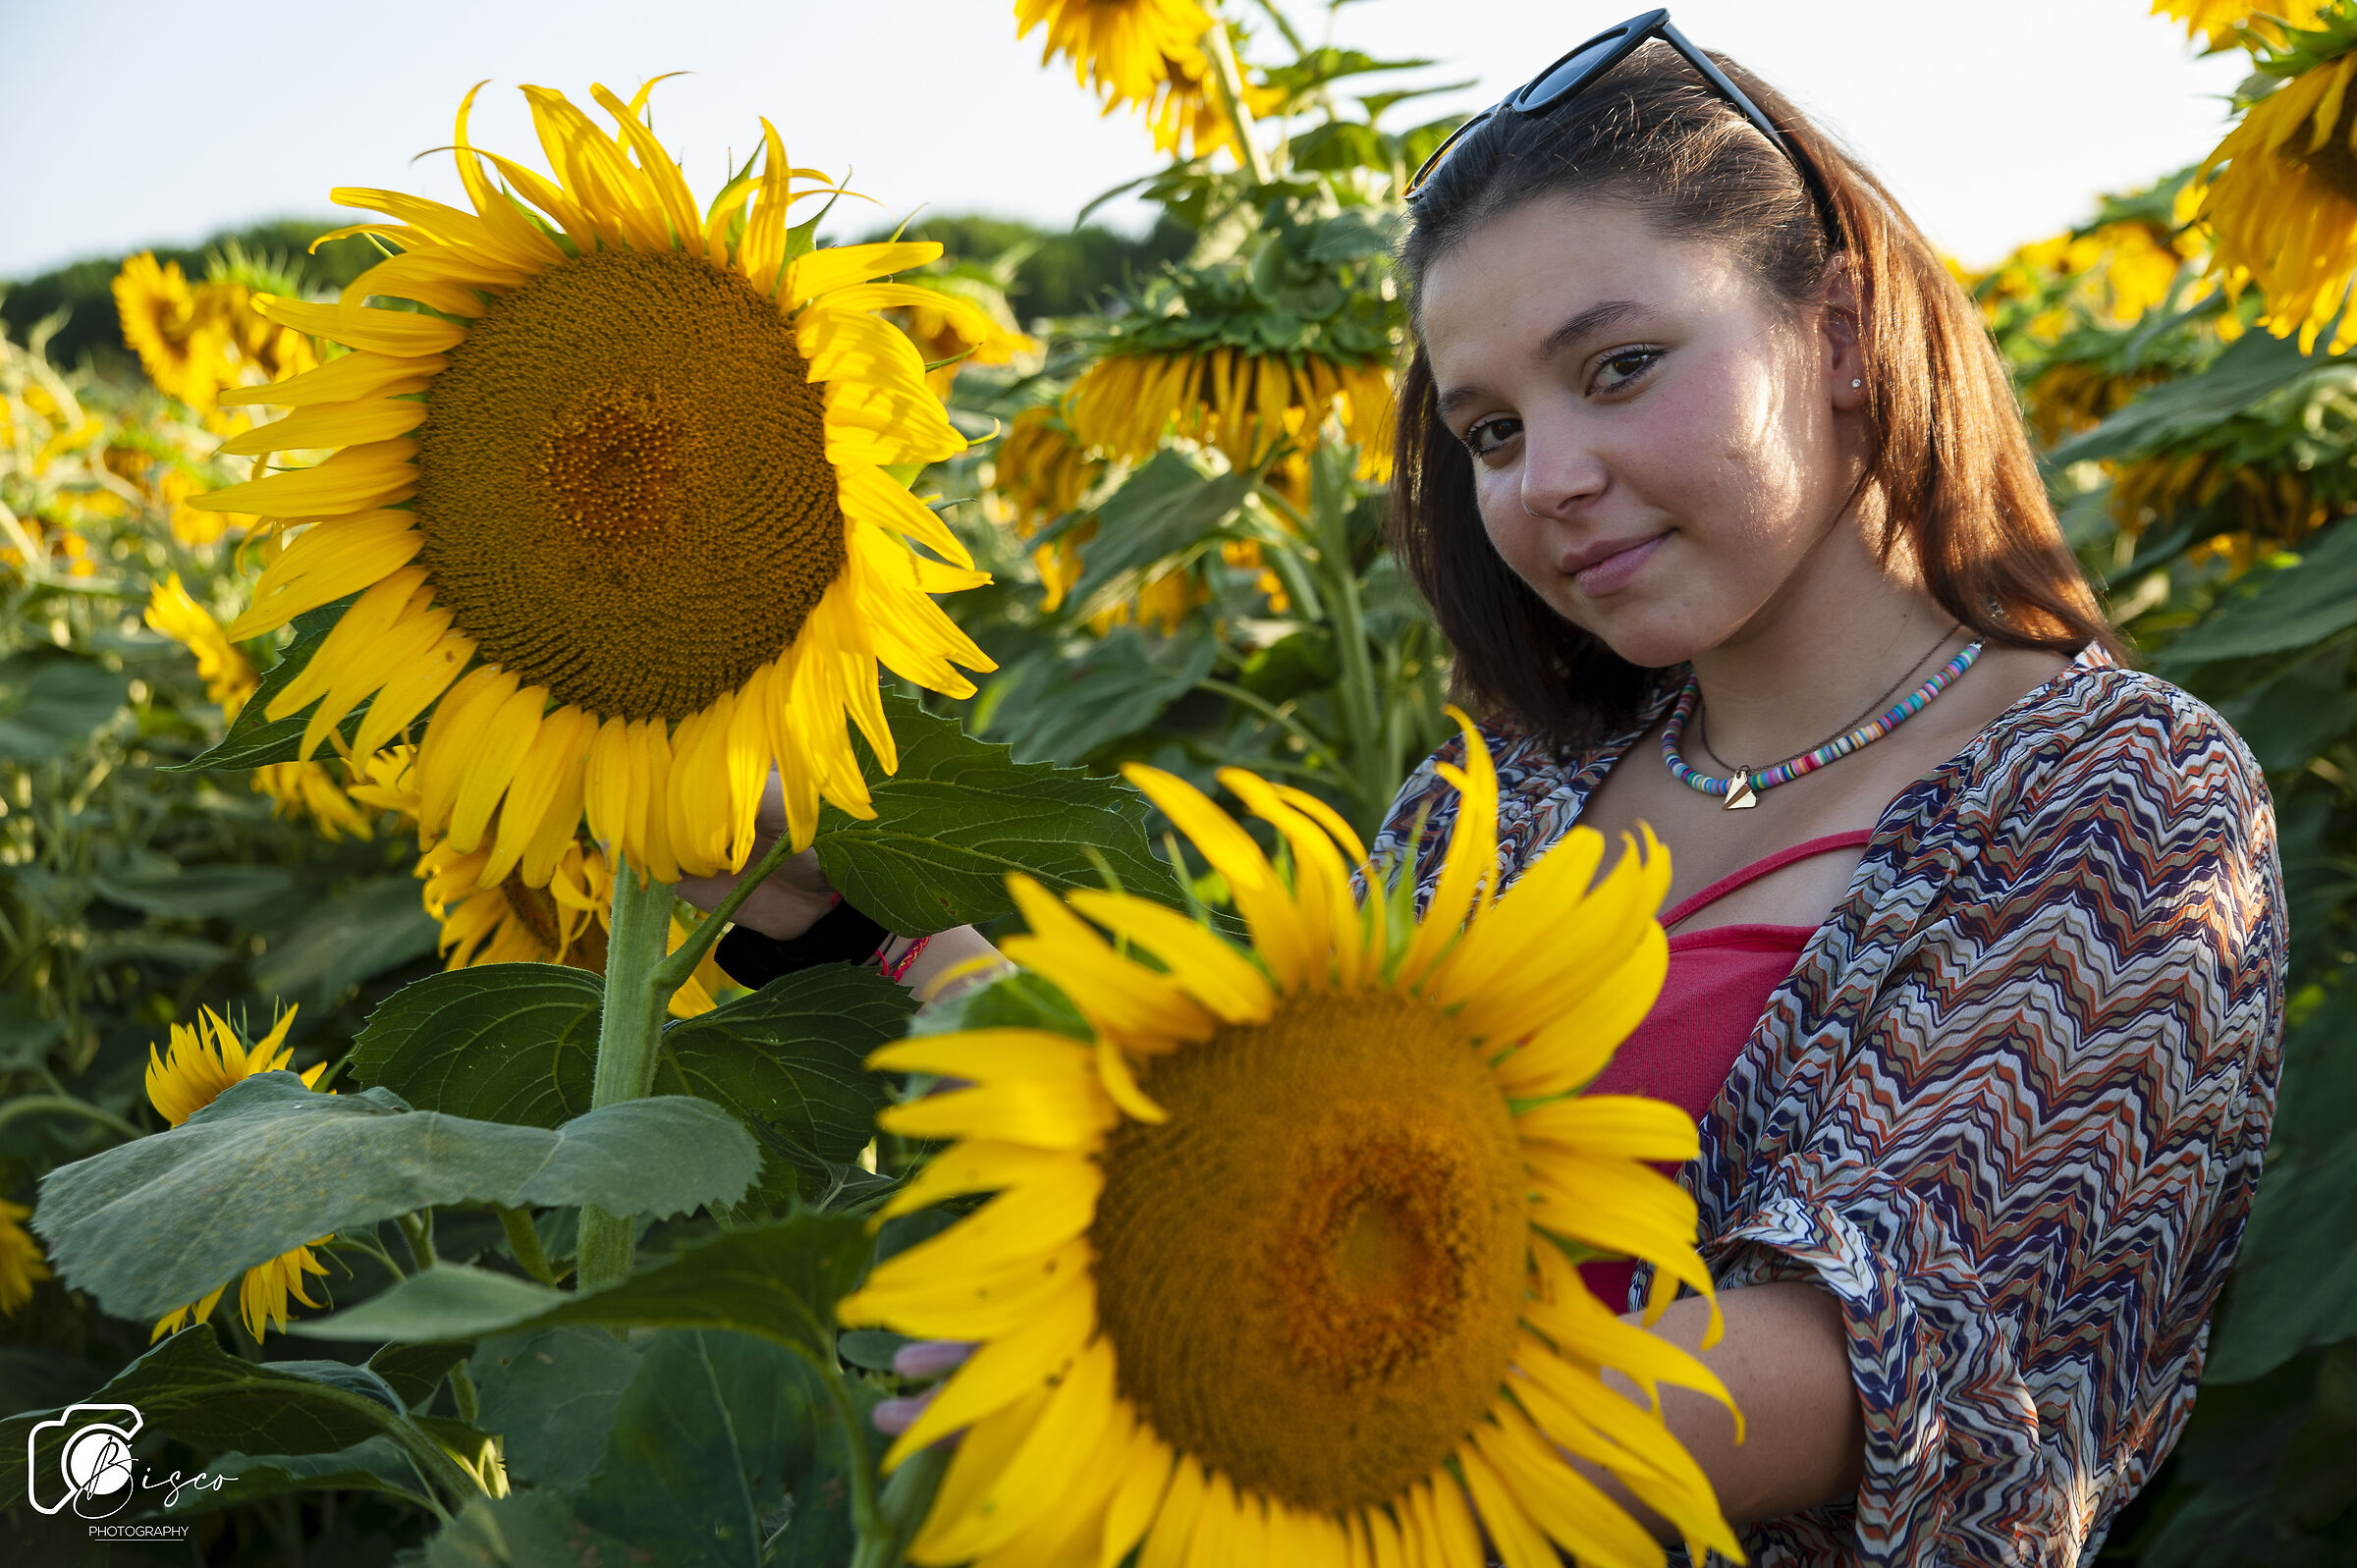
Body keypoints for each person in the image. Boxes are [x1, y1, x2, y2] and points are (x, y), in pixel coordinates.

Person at [682, 16, 2284, 1562]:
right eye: (1494, 427)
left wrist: (1184, 1394)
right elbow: (1227, 1161)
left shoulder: (2118, 788)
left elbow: (1882, 1362)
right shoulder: (1506, 793)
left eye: (1621, 364)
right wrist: (860, 924)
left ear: (1845, 335)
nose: (1548, 478)